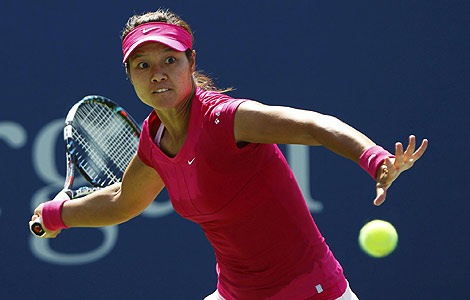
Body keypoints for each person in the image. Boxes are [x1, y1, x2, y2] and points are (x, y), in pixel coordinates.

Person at [30, 9, 428, 300]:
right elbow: (122, 201)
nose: (158, 74)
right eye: (143, 65)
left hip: (310, 291)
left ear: (191, 62)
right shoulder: (154, 141)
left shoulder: (226, 119)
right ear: (130, 75)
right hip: (236, 294)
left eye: (170, 60)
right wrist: (56, 216)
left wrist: (375, 159)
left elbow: (314, 125)